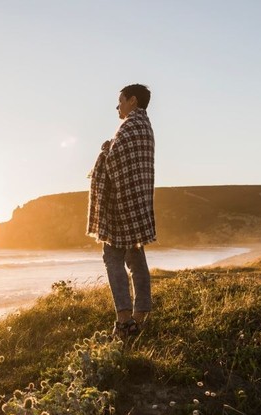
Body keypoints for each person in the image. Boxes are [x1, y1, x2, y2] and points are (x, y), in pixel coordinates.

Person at [87, 84, 156, 339]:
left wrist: (105, 150)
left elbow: (115, 162)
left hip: (122, 205)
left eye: (120, 102)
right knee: (136, 260)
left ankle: (124, 321)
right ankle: (140, 317)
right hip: (138, 203)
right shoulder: (145, 127)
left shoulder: (129, 126)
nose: (118, 107)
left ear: (133, 101)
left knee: (112, 257)